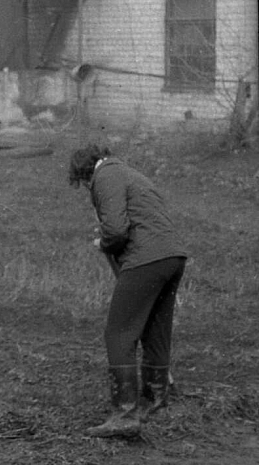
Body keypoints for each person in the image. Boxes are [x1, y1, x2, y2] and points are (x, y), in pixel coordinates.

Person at [68, 144, 188, 438]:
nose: (86, 188)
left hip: (145, 258)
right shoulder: (130, 173)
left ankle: (124, 415)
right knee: (155, 328)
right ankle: (155, 399)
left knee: (118, 333)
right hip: (172, 257)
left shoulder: (105, 176)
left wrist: (104, 244)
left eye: (83, 184)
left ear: (85, 172)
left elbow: (116, 229)